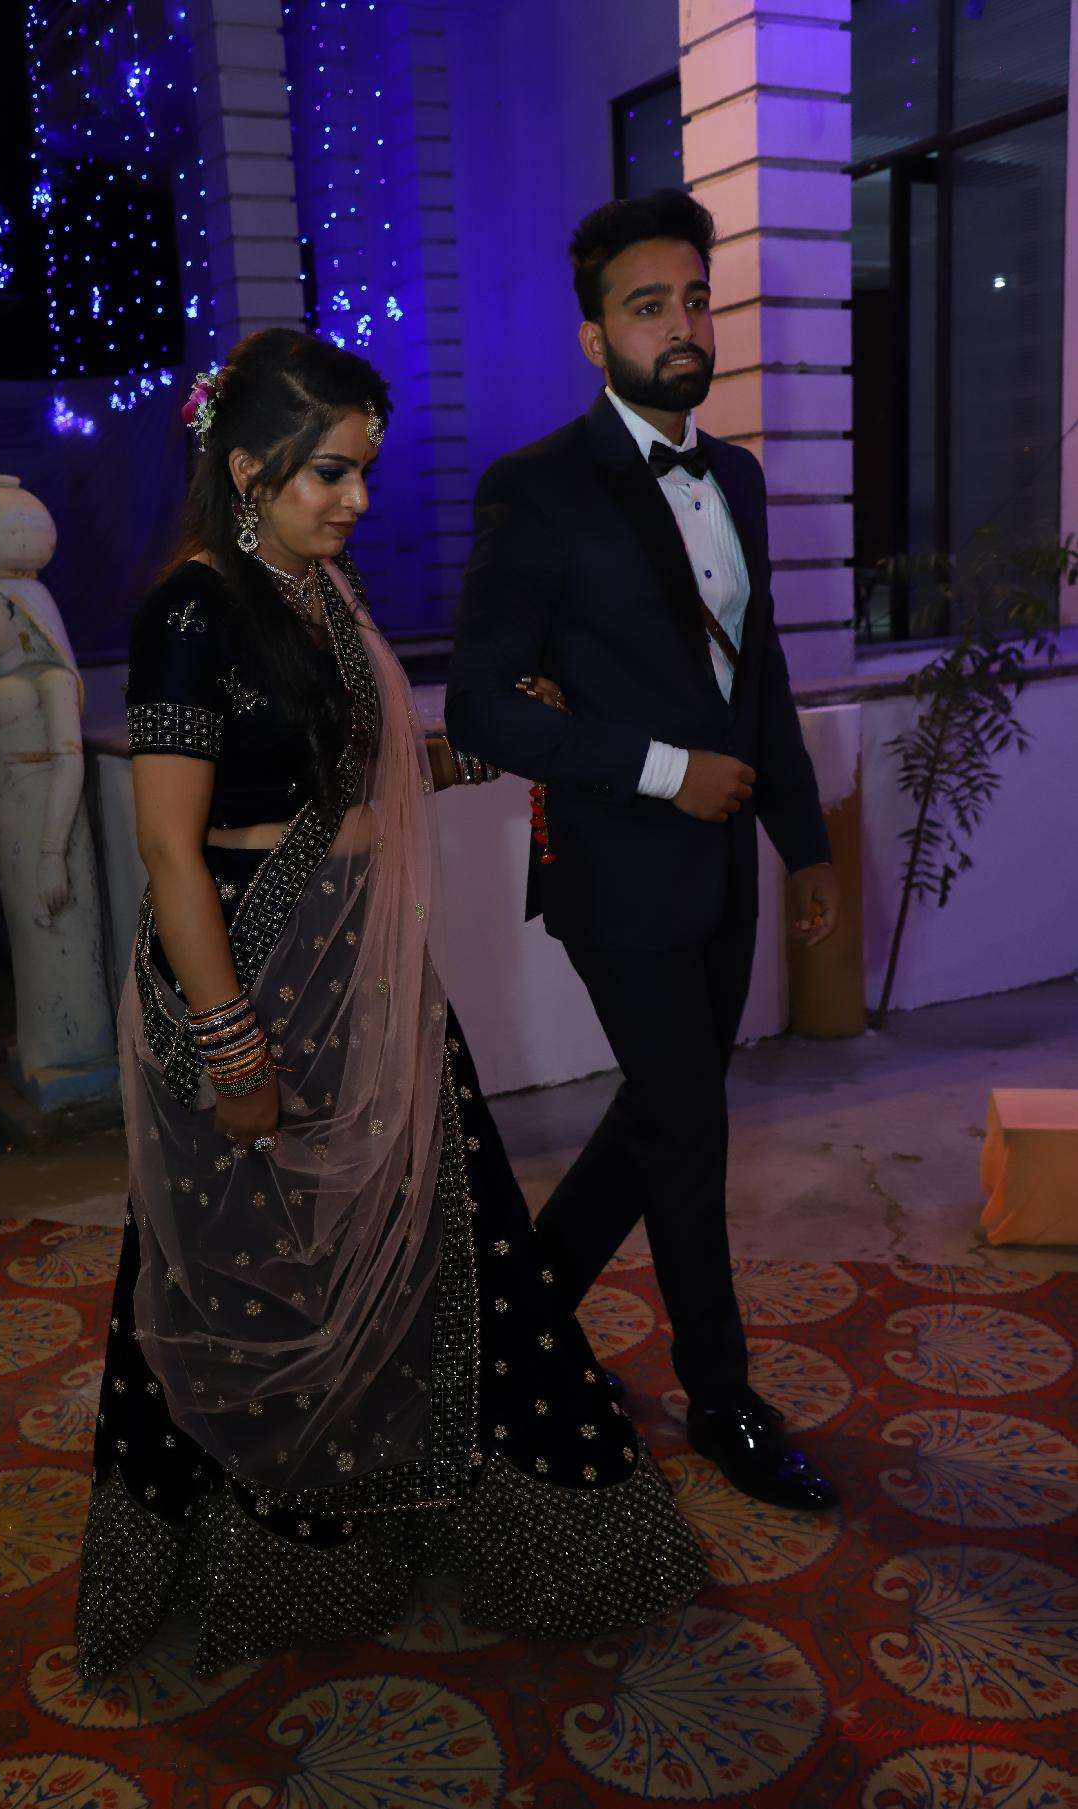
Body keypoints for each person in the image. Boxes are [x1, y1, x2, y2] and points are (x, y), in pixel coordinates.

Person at [74, 328, 706, 1681]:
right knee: (257, 1265)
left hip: (362, 972)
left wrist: (471, 751)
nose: (359, 499)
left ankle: (439, 1498)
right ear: (248, 469)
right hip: (251, 974)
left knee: (438, 1230)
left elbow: (347, 773)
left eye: (364, 470)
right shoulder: (191, 613)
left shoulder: (320, 592)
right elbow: (172, 851)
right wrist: (231, 1047)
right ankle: (283, 1550)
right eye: (331, 474)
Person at [445, 191, 841, 1512]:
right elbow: (480, 703)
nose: (682, 325)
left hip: (725, 867)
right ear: (593, 335)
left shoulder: (738, 478)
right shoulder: (537, 487)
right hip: (615, 867)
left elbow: (756, 675)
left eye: (695, 299)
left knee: (664, 1112)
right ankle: (722, 1397)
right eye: (647, 305)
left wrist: (804, 843)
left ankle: (516, 1327)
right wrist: (667, 772)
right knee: (689, 1131)